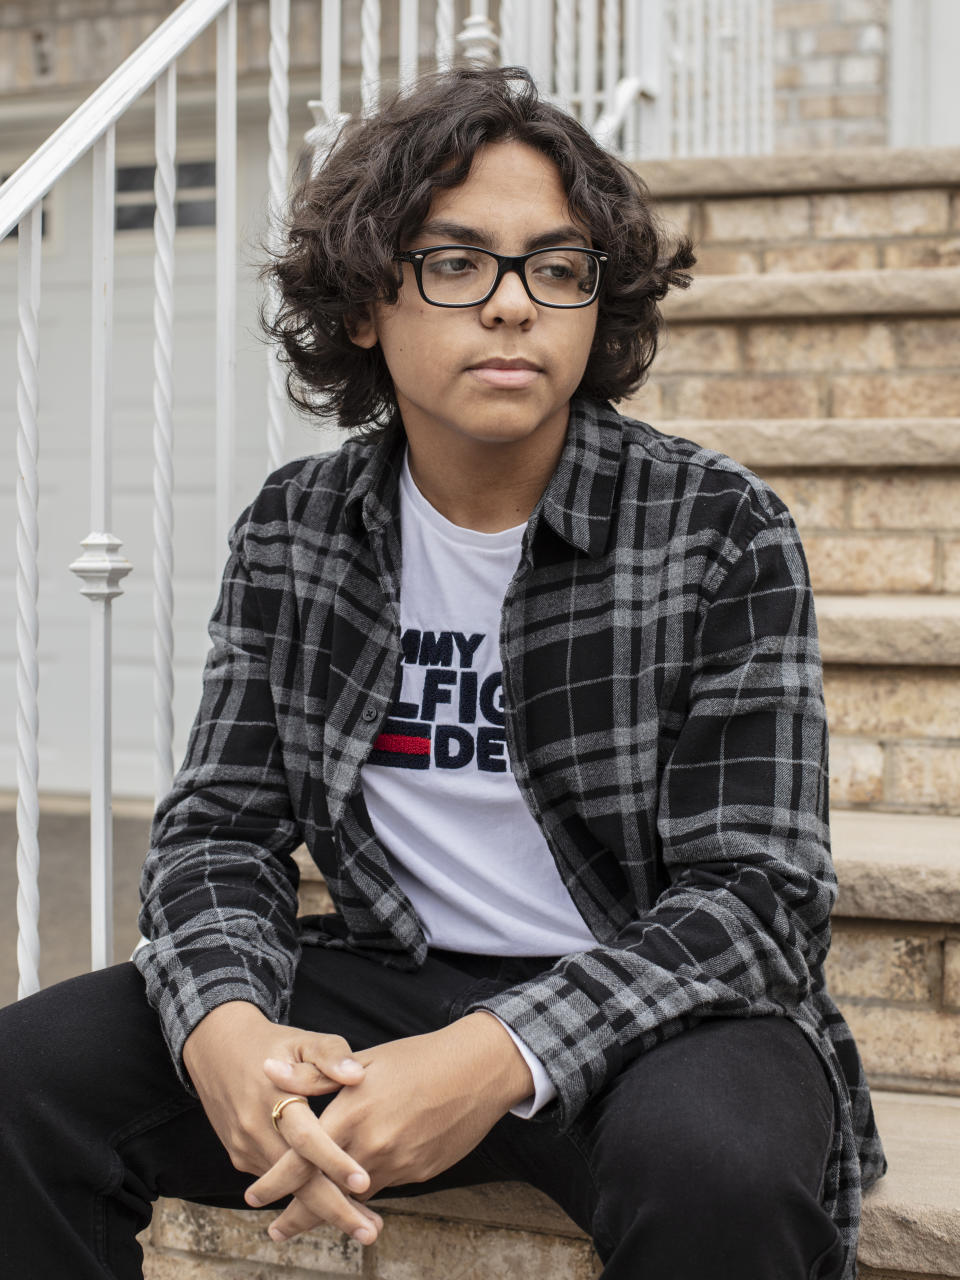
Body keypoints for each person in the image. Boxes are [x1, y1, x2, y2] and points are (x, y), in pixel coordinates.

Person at [0, 65, 886, 1280]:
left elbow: (759, 896)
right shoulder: (297, 526)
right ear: (368, 302)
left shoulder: (717, 527)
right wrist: (225, 1022)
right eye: (457, 262)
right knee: (23, 1082)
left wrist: (488, 1052)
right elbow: (218, 830)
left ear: (595, 305)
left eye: (557, 268)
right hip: (388, 979)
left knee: (719, 1169)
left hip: (655, 1006)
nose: (512, 306)